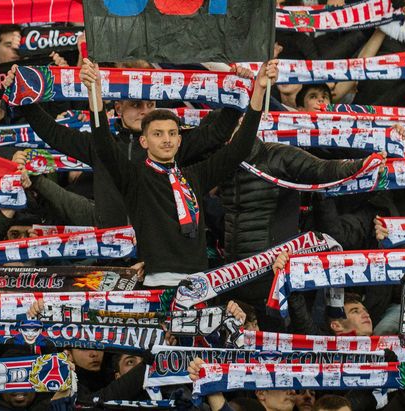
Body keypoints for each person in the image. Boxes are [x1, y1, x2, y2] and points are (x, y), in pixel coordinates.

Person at [86, 57, 274, 285]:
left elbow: (239, 148)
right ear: (144, 141)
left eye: (172, 133)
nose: (166, 140)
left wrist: (259, 91)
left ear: (179, 140)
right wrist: (94, 91)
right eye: (158, 134)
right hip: (156, 283)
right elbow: (104, 144)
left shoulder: (195, 175)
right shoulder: (134, 177)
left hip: (199, 284)